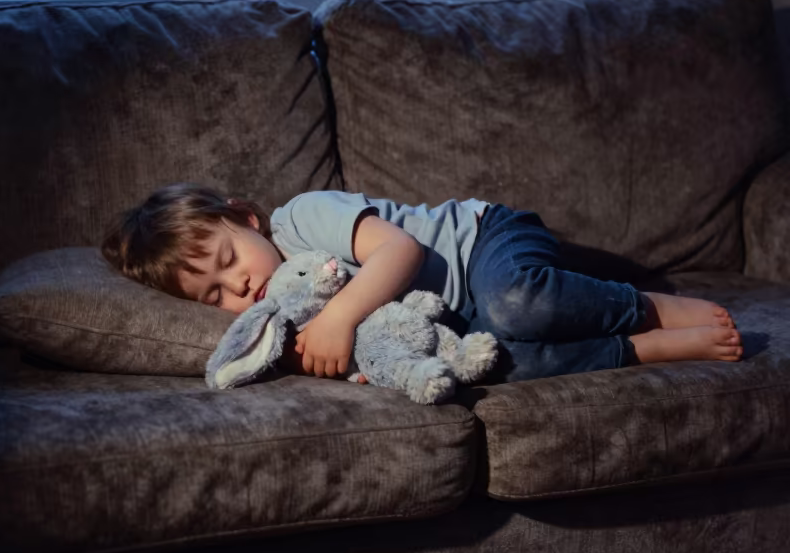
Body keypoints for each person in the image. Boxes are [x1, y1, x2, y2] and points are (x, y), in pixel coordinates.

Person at [101, 183, 743, 384]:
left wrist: (341, 319)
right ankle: (638, 349)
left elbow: (399, 252)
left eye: (228, 258)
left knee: (515, 302)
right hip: (463, 319)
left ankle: (647, 305)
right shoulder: (287, 318)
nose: (238, 288)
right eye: (213, 295)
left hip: (486, 242)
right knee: (499, 363)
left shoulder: (300, 220)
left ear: (245, 220)